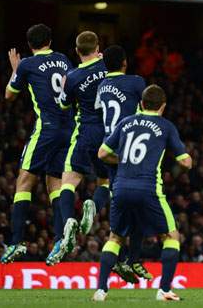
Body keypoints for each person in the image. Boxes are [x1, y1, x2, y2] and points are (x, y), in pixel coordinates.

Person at [94, 85, 193, 301]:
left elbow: (102, 153)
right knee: (171, 236)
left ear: (141, 104)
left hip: (120, 187)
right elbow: (185, 162)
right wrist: (177, 166)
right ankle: (164, 290)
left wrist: (124, 162)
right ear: (163, 107)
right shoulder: (165, 126)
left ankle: (101, 291)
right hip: (148, 188)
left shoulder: (126, 122)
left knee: (115, 238)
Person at [2, 24, 73, 265]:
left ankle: (15, 242)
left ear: (30, 45)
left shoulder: (27, 65)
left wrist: (15, 70)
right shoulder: (63, 59)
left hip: (47, 129)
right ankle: (59, 239)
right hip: (68, 128)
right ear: (50, 41)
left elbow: (9, 95)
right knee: (54, 183)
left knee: (24, 180)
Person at [50, 31, 111, 264]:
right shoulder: (109, 68)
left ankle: (68, 222)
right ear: (98, 47)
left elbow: (64, 106)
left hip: (85, 134)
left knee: (68, 182)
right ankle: (93, 207)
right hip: (109, 136)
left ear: (77, 51)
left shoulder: (72, 76)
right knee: (106, 182)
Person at [97, 45, 151, 282]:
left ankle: (127, 260)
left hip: (109, 148)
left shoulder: (101, 85)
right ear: (125, 62)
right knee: (139, 205)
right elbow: (150, 105)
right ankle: (131, 259)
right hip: (130, 149)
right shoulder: (136, 82)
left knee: (124, 206)